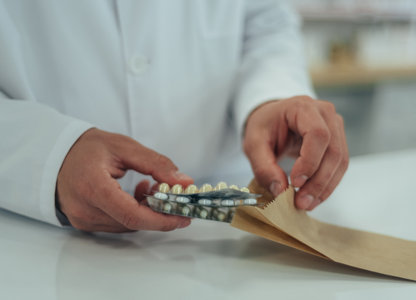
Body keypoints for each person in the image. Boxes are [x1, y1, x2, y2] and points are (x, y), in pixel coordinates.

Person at [0, 0, 348, 233]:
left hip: (225, 235)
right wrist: (52, 156)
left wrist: (269, 98)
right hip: (39, 234)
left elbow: (265, 24)